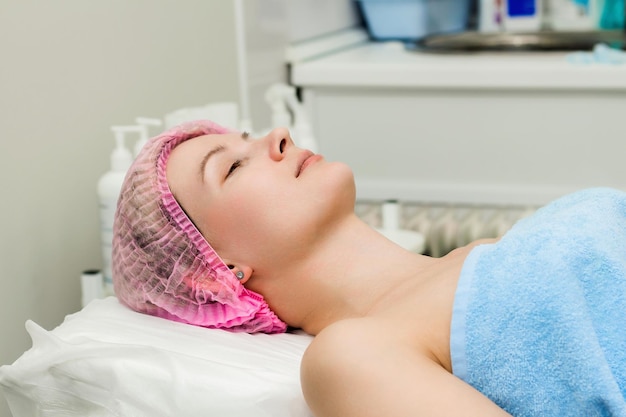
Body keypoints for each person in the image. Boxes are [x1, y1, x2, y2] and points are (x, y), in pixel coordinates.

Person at [112, 119, 626, 417]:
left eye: (247, 139)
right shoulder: (353, 354)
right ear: (213, 273)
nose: (278, 135)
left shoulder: (487, 253)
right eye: (234, 166)